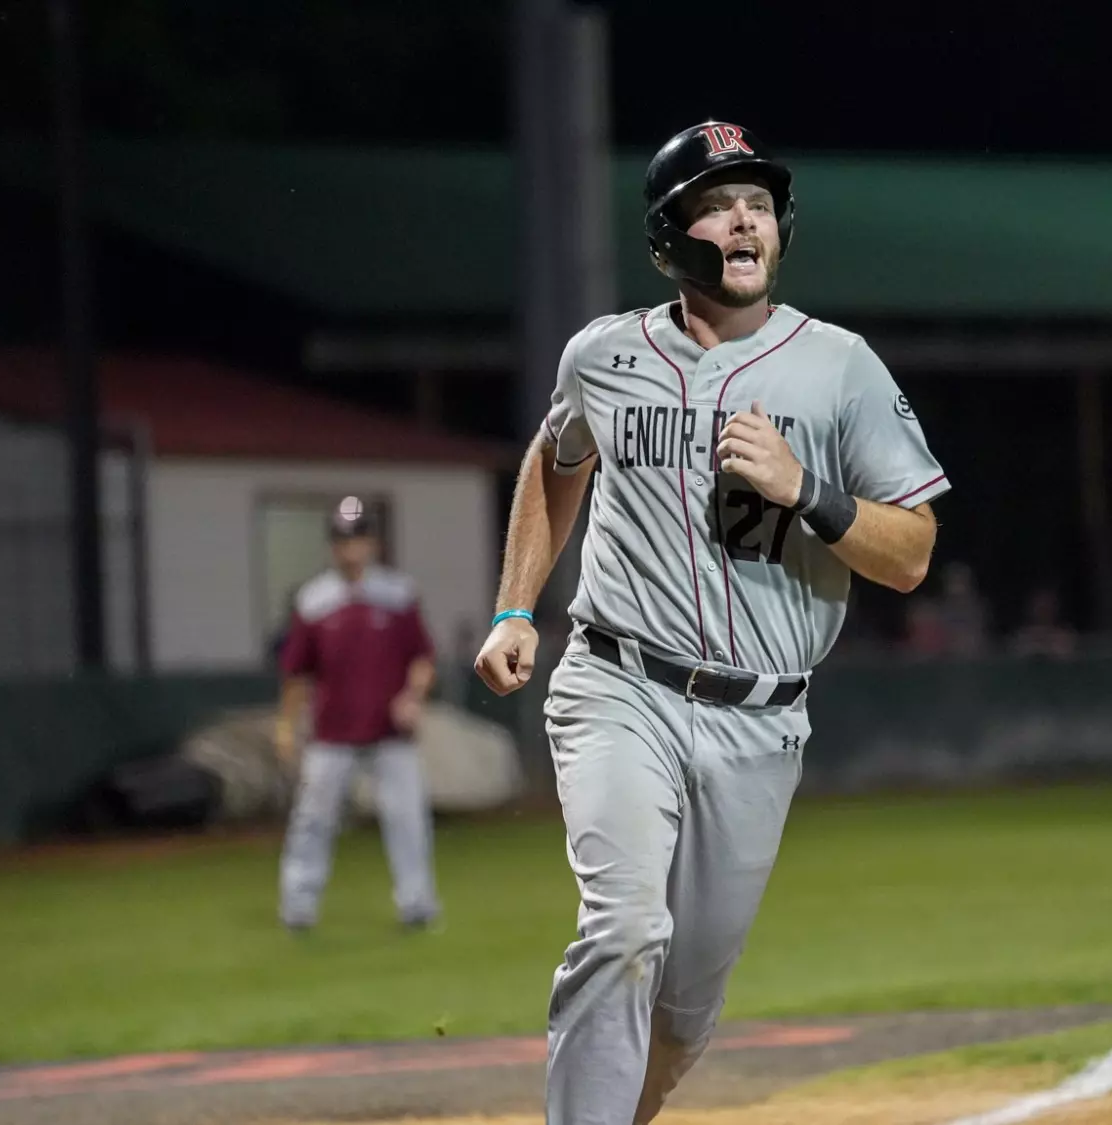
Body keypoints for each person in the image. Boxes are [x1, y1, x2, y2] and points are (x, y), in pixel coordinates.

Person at [472, 120, 947, 1125]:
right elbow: (554, 461)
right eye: (719, 201)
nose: (745, 218)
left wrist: (806, 488)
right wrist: (517, 605)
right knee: (623, 932)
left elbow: (910, 555)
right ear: (668, 235)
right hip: (616, 683)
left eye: (760, 203)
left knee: (683, 1014)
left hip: (758, 722)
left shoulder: (838, 366)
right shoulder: (603, 354)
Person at [275, 497, 442, 933]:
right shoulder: (314, 600)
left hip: (390, 730)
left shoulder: (398, 593)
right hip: (333, 730)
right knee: (312, 820)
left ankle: (417, 904)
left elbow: (422, 658)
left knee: (407, 819)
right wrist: (286, 725)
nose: (352, 548)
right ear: (333, 545)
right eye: (344, 539)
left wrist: (413, 696)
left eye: (360, 538)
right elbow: (296, 671)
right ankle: (298, 907)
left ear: (373, 543)